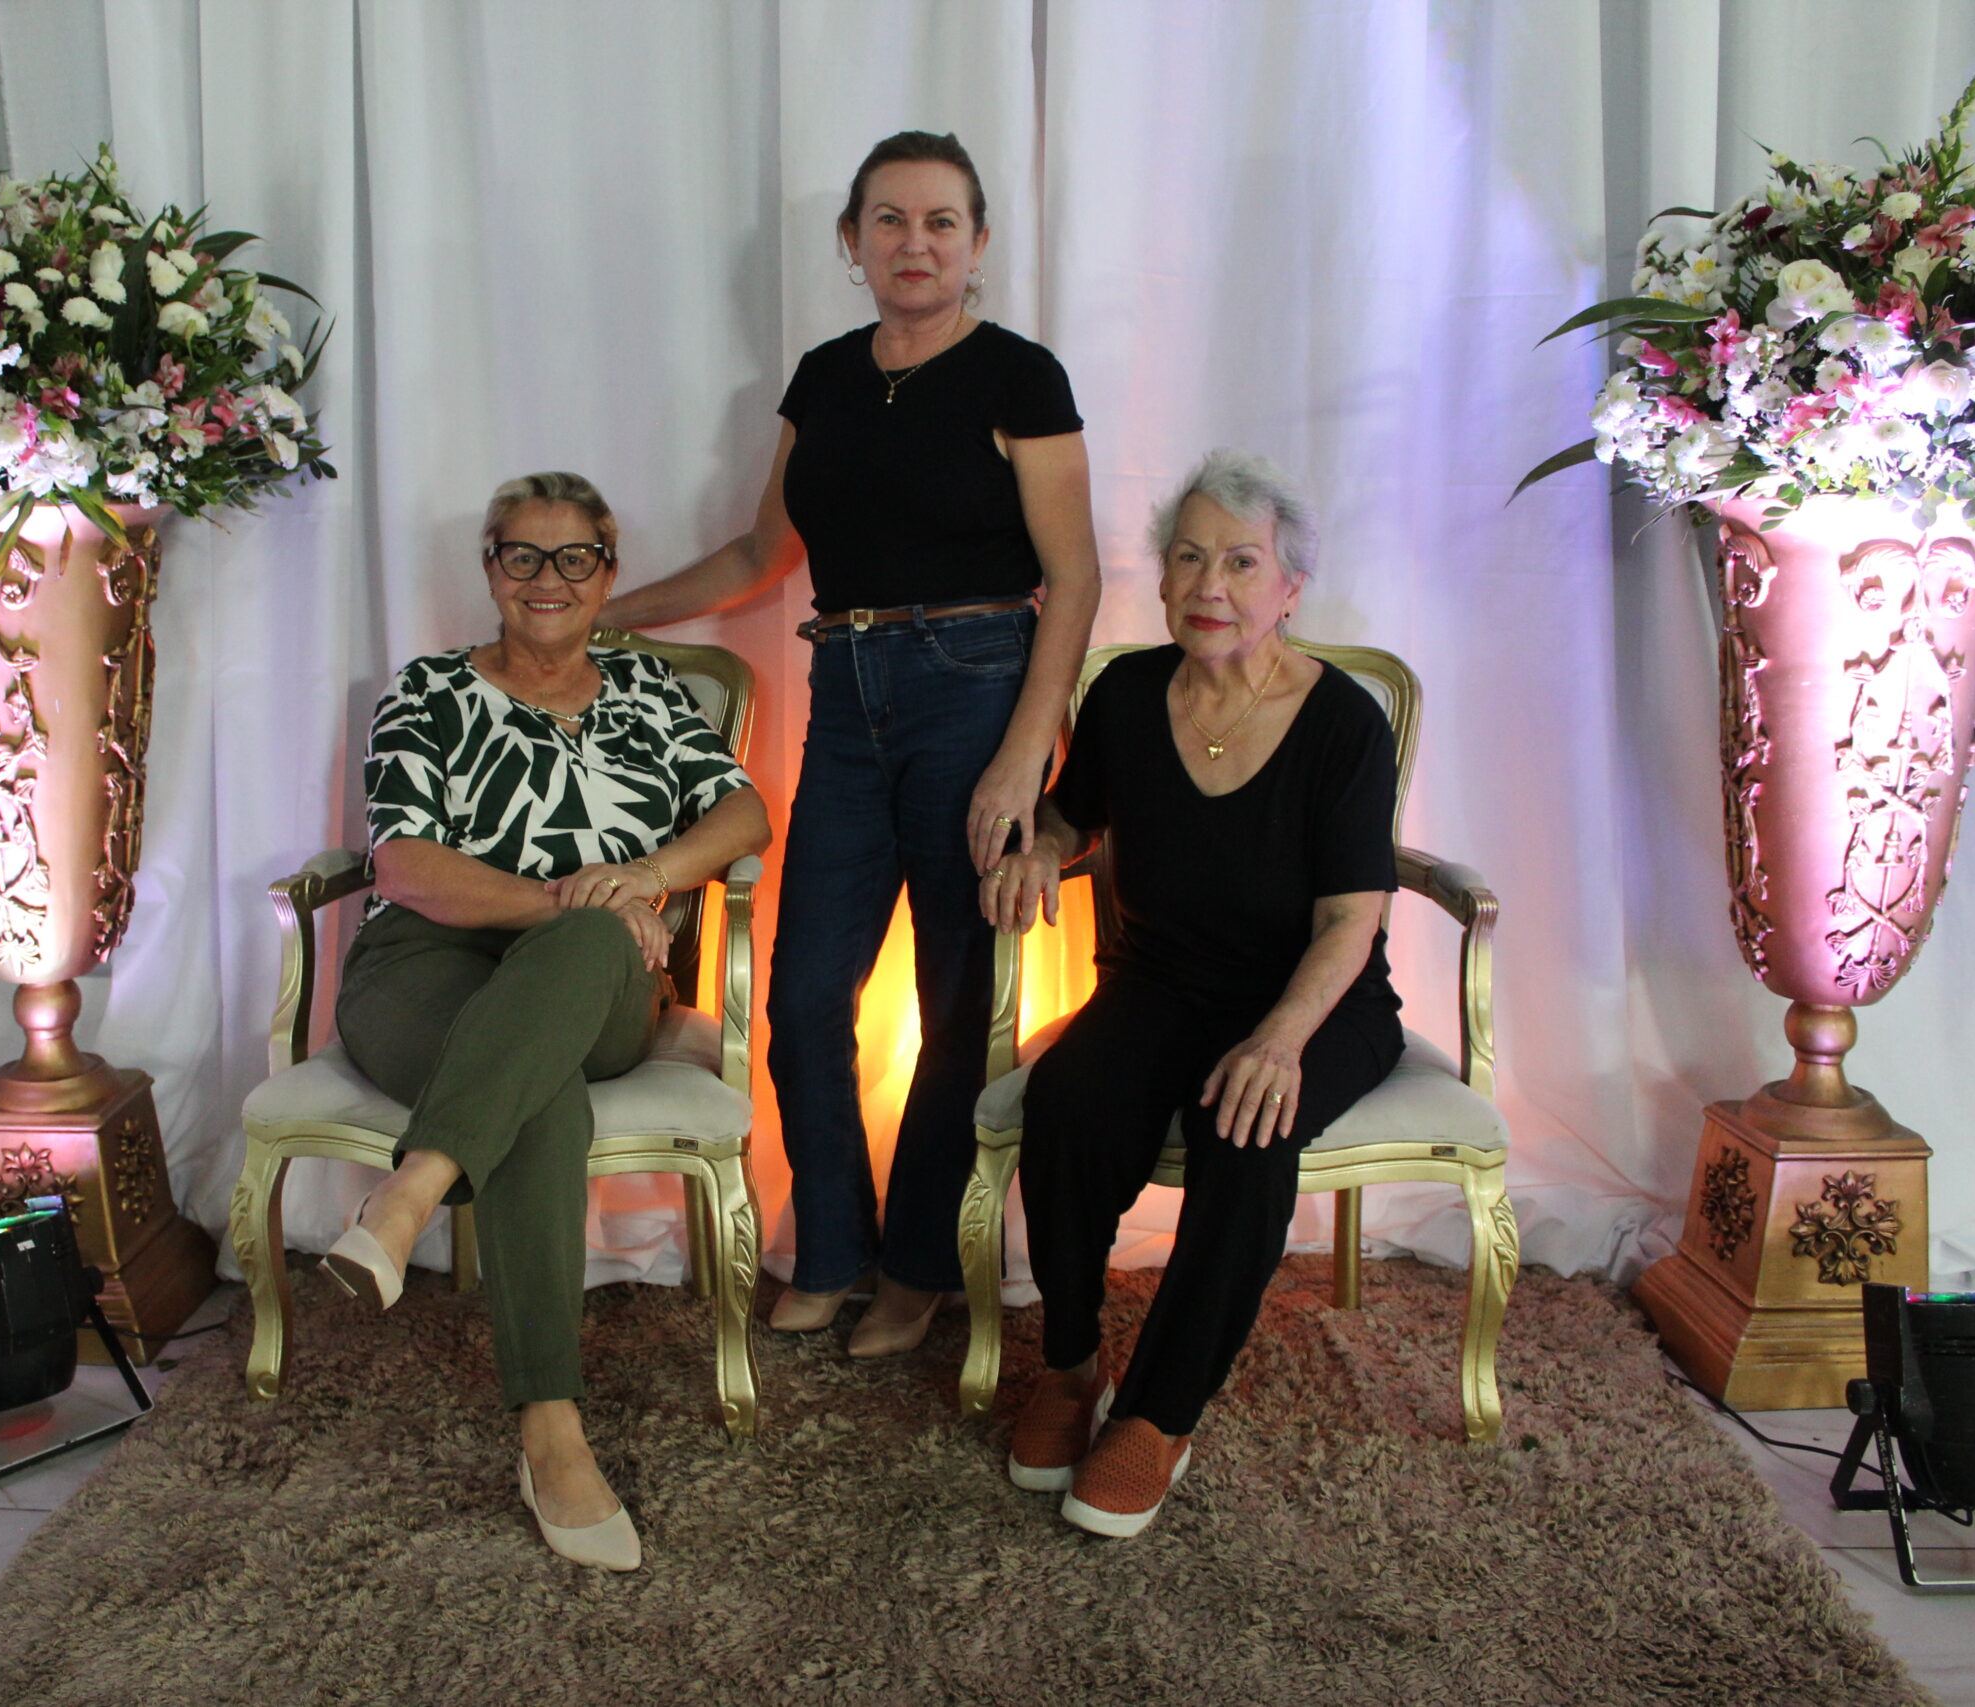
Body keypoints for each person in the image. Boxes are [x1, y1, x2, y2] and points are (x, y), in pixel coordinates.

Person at [603, 131, 1099, 1358]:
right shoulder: (823, 377)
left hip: (975, 688)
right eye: (888, 220)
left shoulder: (1019, 378)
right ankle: (830, 1250)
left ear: (977, 244)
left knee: (954, 993)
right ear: (852, 241)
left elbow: (1074, 578)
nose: (913, 244)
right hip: (847, 692)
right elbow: (758, 553)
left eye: (939, 222)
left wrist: (1021, 756)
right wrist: (605, 615)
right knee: (806, 990)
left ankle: (919, 1268)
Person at [321, 471, 772, 1571]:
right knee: (539, 1092)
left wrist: (643, 880)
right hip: (423, 967)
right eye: (521, 554)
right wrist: (569, 898)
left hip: (596, 974)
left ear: (607, 574)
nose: (547, 578)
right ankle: (551, 1430)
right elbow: (404, 865)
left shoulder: (648, 691)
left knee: (587, 948)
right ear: (490, 568)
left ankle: (410, 1192)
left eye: (575, 557)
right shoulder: (429, 689)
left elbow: (745, 811)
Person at [979, 451, 1404, 1539]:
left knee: (1244, 1130)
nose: (1210, 585)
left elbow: (1350, 919)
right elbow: (1073, 815)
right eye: (1188, 558)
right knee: (1069, 1105)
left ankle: (1160, 1412)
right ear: (1163, 578)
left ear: (1289, 587)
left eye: (1241, 562)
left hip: (1315, 1003)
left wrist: (1278, 1040)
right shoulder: (1125, 693)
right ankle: (1073, 1362)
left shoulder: (1343, 724)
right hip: (1162, 979)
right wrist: (1045, 850)